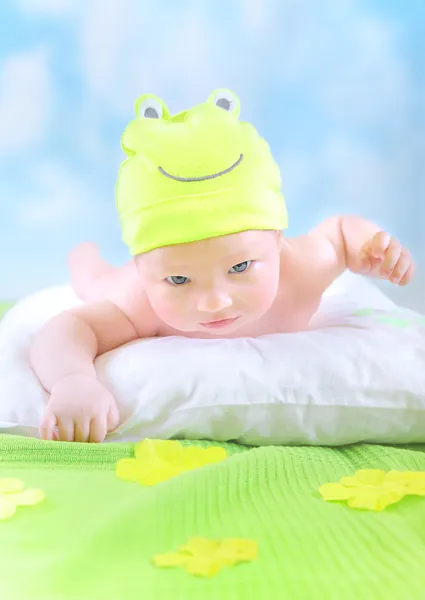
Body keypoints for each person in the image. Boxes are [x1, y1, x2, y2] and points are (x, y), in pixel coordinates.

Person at [29, 89, 415, 443]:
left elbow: (340, 233)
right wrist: (73, 380)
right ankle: (83, 255)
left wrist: (370, 245)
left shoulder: (302, 270)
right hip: (124, 283)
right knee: (95, 282)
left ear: (278, 241)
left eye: (241, 267)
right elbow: (68, 327)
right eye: (179, 279)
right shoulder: (139, 302)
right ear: (144, 269)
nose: (214, 302)